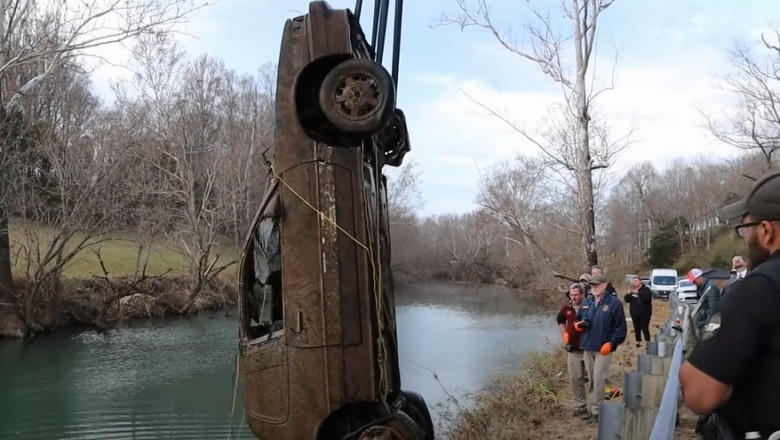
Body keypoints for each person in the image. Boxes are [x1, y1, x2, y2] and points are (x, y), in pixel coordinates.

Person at [680, 169, 780, 438]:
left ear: (767, 231)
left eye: (744, 229)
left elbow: (698, 393)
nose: (745, 239)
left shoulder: (758, 289)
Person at [575, 273, 627, 422]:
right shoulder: (587, 302)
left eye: (597, 285)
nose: (594, 288)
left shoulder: (614, 303)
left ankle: (597, 411)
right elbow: (579, 320)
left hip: (604, 348)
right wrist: (577, 326)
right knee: (591, 379)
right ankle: (592, 409)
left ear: (605, 284)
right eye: (592, 285)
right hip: (588, 346)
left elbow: (620, 329)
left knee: (599, 379)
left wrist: (612, 343)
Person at [556, 283, 587, 416]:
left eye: (576, 295)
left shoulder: (589, 306)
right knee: (575, 379)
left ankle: (594, 406)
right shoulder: (566, 309)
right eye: (571, 295)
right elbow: (560, 321)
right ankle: (579, 406)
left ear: (582, 294)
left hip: (589, 349)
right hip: (573, 349)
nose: (573, 297)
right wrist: (565, 336)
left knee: (592, 379)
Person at [624, 275, 652, 347]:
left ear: (640, 282)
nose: (635, 282)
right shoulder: (632, 290)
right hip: (634, 313)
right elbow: (626, 300)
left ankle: (648, 342)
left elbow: (647, 299)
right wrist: (628, 294)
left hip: (645, 313)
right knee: (636, 328)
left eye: (636, 281)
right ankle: (638, 341)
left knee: (644, 327)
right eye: (634, 281)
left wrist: (638, 293)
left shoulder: (646, 290)